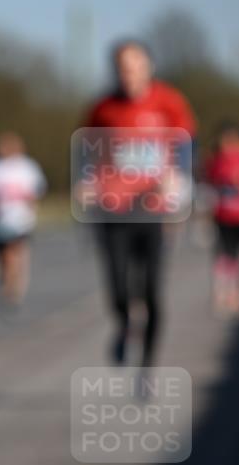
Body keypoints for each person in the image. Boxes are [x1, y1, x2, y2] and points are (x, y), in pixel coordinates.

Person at [80, 40, 196, 366]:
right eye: (122, 67)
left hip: (154, 207)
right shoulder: (103, 108)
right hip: (114, 207)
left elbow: (187, 147)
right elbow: (88, 151)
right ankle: (123, 324)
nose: (128, 74)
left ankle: (148, 362)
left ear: (148, 67)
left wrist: (177, 179)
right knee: (118, 286)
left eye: (135, 66)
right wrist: (87, 181)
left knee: (151, 289)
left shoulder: (169, 101)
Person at [0, 132, 46, 308]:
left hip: (20, 221)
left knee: (15, 254)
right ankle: (6, 281)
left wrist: (32, 210)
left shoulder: (27, 167)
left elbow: (36, 192)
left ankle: (14, 287)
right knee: (1, 258)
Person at [204, 122, 239, 314]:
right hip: (224, 216)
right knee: (224, 256)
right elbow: (209, 184)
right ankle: (224, 294)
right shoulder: (216, 161)